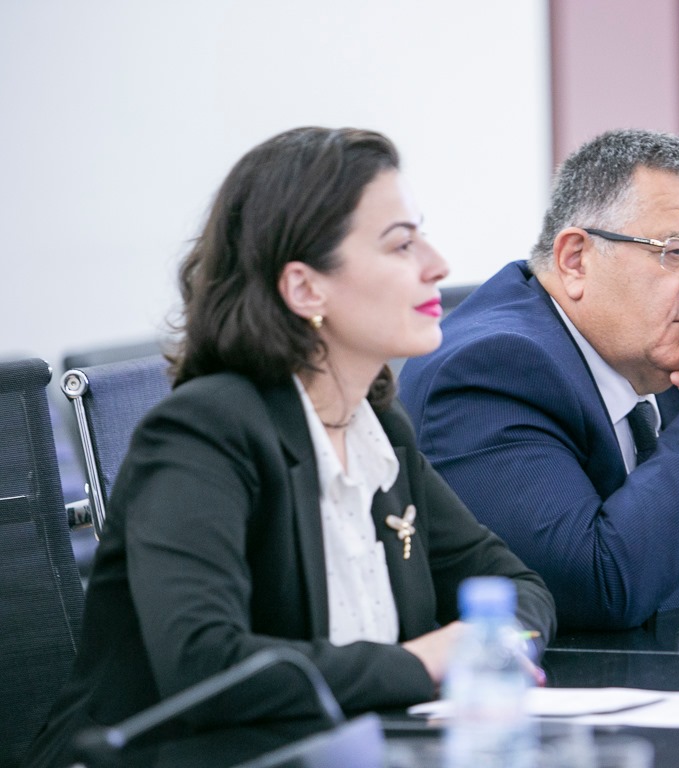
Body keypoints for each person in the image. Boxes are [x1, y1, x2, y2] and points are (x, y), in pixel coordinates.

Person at [26, 127, 555, 767]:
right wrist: (422, 663)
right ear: (305, 288)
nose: (437, 265)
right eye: (401, 244)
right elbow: (205, 665)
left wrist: (499, 647)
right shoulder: (203, 431)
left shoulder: (376, 429)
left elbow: (513, 583)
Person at [398, 129, 679, 631]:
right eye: (678, 252)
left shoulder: (663, 357)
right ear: (575, 260)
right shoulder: (491, 370)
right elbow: (593, 590)